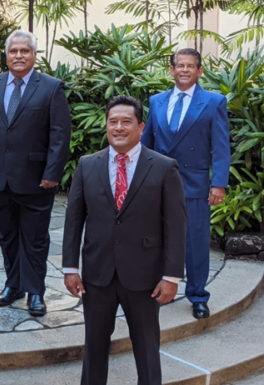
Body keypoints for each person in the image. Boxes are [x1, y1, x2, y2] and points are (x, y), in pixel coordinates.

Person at [62, 95, 187, 385]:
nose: (119, 127)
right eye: (113, 121)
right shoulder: (87, 165)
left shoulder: (164, 167)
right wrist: (70, 268)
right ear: (106, 126)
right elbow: (74, 220)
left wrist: (171, 276)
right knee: (94, 347)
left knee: (146, 347)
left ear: (141, 127)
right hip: (97, 274)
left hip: (144, 276)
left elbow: (176, 225)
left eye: (126, 121)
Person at [0, 29, 71, 315]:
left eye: (24, 51)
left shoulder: (51, 87)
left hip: (37, 180)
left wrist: (52, 173)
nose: (18, 56)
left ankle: (36, 291)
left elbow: (60, 135)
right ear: (6, 54)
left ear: (34, 55)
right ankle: (13, 285)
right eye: (14, 51)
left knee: (36, 240)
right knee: (7, 236)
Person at [141, 48, 230, 320]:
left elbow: (221, 147)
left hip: (195, 183)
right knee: (157, 240)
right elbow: (146, 144)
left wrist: (218, 185)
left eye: (190, 66)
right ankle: (160, 290)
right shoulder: (156, 101)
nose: (184, 70)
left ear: (200, 71)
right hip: (159, 183)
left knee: (195, 243)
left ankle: (198, 295)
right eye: (180, 65)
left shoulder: (214, 102)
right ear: (171, 70)